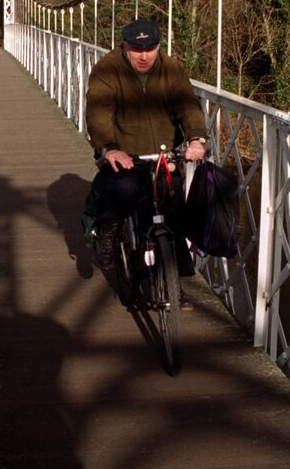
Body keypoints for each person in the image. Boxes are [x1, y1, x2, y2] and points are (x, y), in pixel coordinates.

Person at [85, 17, 207, 289]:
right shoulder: (107, 69)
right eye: (136, 50)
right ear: (124, 47)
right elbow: (98, 112)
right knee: (123, 190)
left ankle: (174, 281)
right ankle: (109, 229)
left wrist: (196, 139)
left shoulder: (171, 68)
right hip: (123, 151)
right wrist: (110, 148)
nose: (143, 56)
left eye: (150, 49)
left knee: (173, 205)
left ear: (158, 47)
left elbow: (187, 105)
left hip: (163, 153)